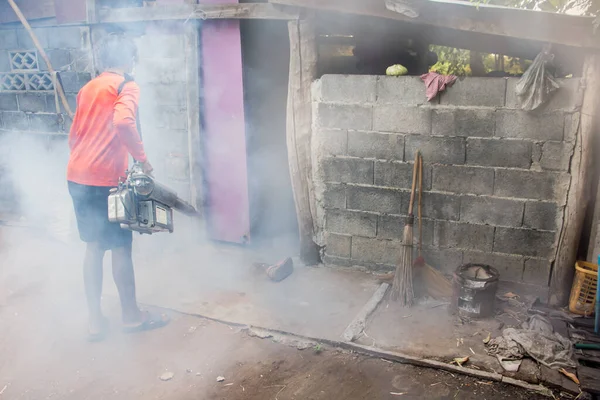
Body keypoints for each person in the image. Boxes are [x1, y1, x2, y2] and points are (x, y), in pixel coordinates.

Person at [67, 33, 169, 342]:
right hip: (105, 181)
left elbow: (75, 134)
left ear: (102, 59)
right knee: (121, 247)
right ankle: (130, 317)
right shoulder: (126, 85)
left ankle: (95, 322)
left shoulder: (88, 87)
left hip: (76, 174)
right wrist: (142, 159)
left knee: (94, 247)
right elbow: (124, 122)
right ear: (129, 59)